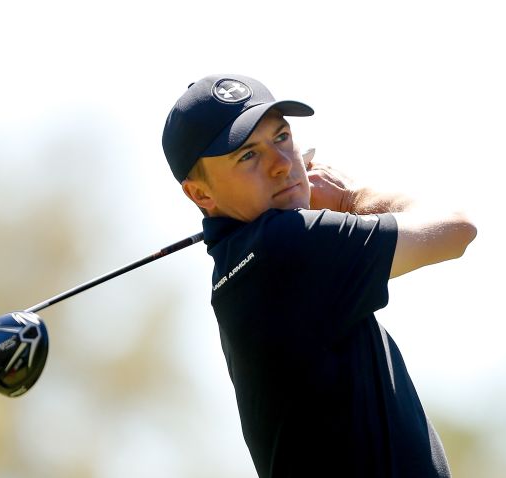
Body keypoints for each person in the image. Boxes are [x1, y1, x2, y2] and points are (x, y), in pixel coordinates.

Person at [162, 74, 476, 478]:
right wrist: (349, 198)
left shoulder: (244, 268)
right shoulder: (284, 246)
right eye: (247, 156)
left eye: (281, 137)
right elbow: (456, 228)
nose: (281, 164)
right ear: (201, 195)